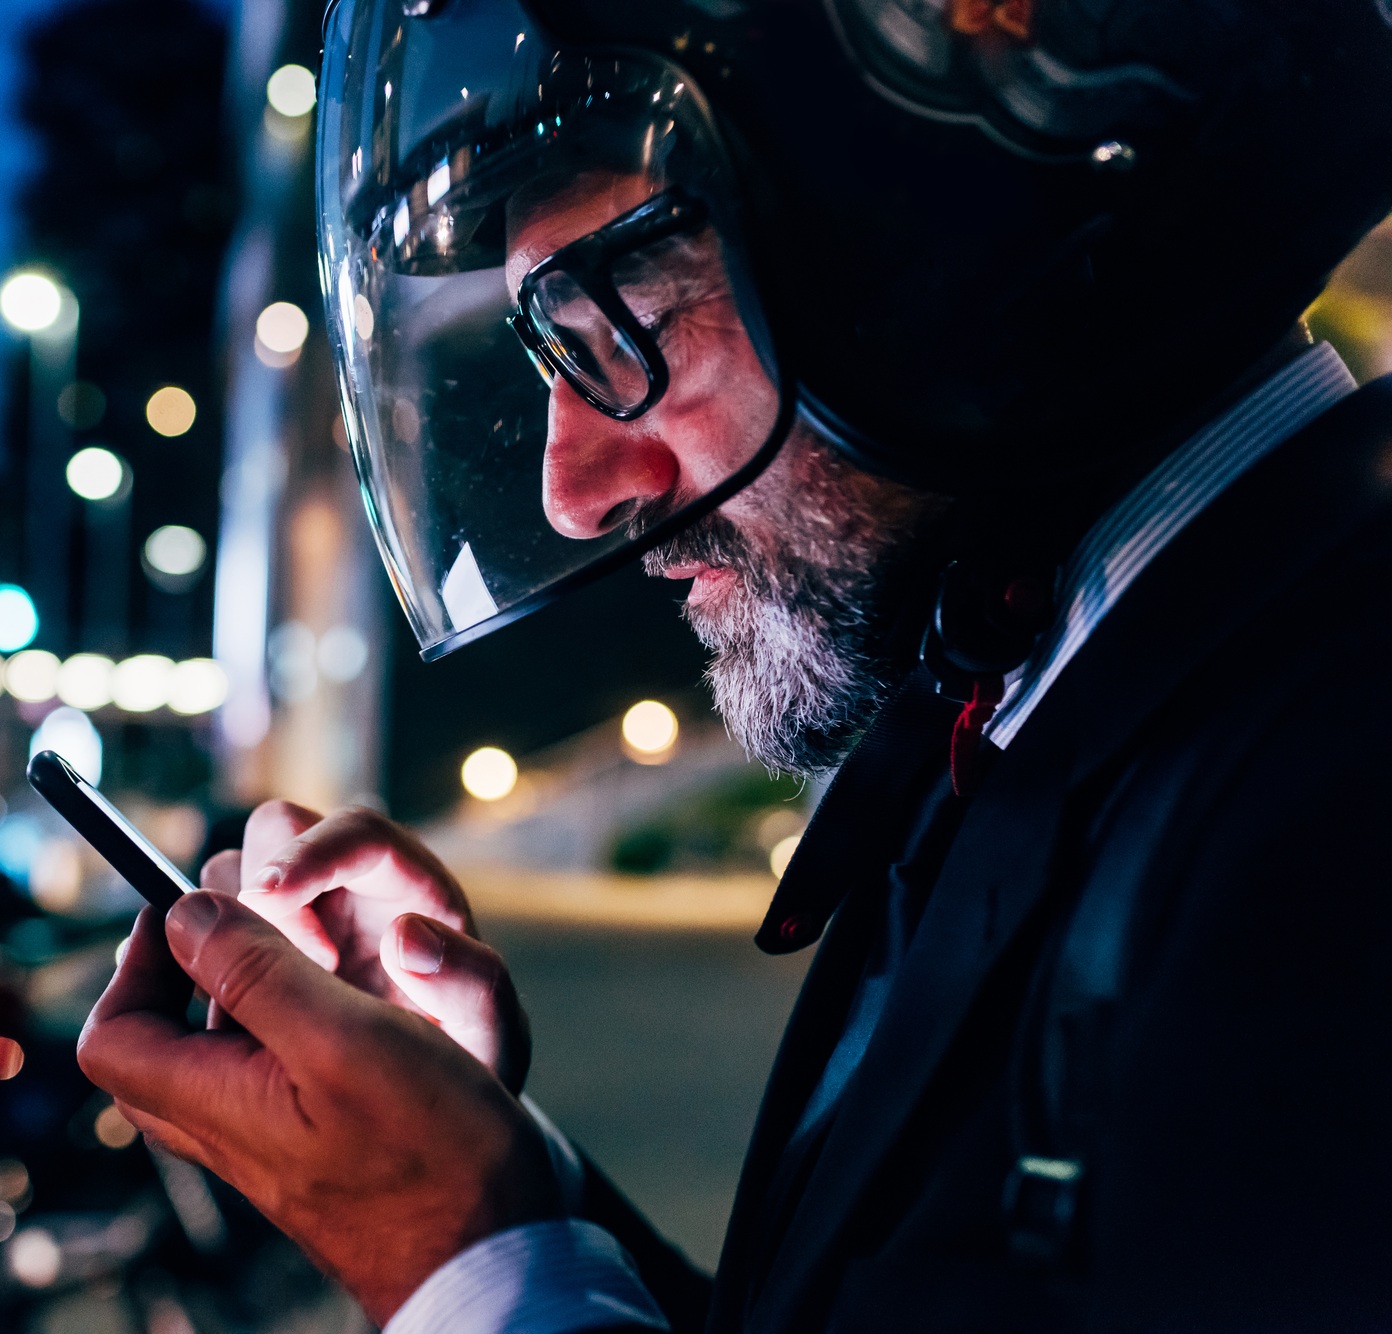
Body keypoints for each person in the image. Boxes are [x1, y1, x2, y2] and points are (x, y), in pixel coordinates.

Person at [78, 0, 1392, 1328]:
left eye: (625, 325)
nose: (573, 492)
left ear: (946, 248)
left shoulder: (1341, 806)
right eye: (548, 357)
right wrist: (482, 1172)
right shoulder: (1037, 696)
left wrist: (450, 1256)